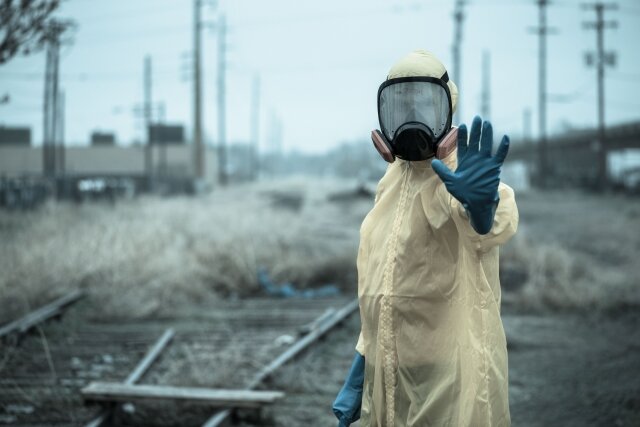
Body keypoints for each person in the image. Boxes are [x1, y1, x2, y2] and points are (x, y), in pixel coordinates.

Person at [333, 49, 519, 427]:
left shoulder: (456, 178)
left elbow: (487, 224)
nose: (411, 122)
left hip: (452, 382)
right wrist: (360, 373)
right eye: (402, 109)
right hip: (391, 376)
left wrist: (482, 205)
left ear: (447, 112)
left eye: (424, 108)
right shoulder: (390, 184)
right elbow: (385, 294)